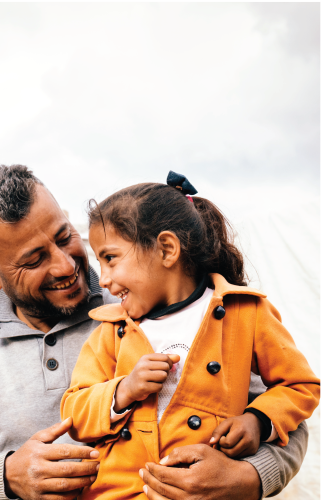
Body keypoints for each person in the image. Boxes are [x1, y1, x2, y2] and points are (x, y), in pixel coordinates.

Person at [0, 165, 309, 500]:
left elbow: (285, 419)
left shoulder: (145, 311)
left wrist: (246, 479)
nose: (65, 265)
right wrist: (6, 477)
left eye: (65, 237)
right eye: (34, 259)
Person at [61, 172, 321, 499]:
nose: (106, 279)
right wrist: (123, 390)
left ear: (167, 249)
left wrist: (258, 420)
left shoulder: (246, 313)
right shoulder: (111, 329)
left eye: (110, 259)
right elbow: (74, 410)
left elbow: (300, 385)